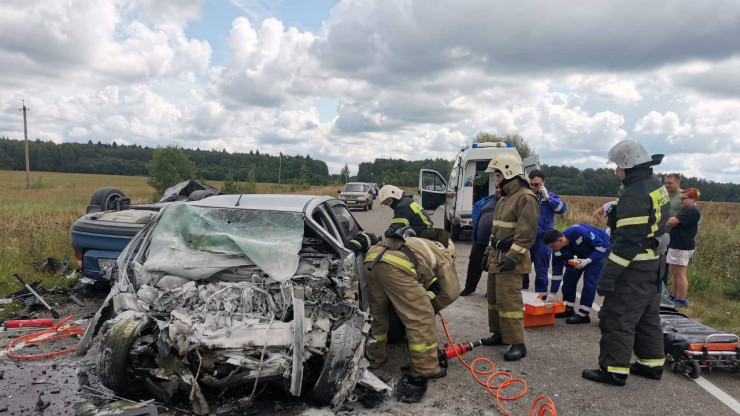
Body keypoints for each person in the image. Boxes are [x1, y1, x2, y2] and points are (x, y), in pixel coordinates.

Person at [582, 140, 670, 386]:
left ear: (628, 164)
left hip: (634, 268)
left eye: (617, 166)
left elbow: (627, 243)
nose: (615, 171)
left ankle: (614, 370)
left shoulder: (635, 193)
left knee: (617, 317)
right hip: (654, 264)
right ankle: (651, 365)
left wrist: (607, 277)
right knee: (647, 317)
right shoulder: (654, 184)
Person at [363, 228, 459, 403]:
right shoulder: (443, 255)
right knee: (421, 318)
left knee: (378, 314)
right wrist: (432, 307)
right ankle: (425, 369)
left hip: (372, 260)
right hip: (395, 267)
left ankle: (375, 358)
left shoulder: (417, 243)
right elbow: (451, 293)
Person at [480, 154, 539, 361]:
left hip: (512, 262)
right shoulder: (505, 198)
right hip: (497, 258)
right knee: (495, 300)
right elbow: (496, 232)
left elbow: (527, 234)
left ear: (509, 172)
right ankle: (500, 334)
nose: (496, 179)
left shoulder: (526, 197)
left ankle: (517, 343)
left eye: (498, 175)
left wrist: (512, 258)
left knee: (510, 303)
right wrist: (487, 255)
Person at [544, 224, 611, 324]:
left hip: (598, 253)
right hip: (578, 256)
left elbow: (602, 246)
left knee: (589, 281)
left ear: (561, 240)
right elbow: (557, 273)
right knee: (569, 279)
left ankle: (584, 314)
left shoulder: (578, 232)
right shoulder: (557, 251)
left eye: (553, 246)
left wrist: (588, 260)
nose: (552, 249)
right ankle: (568, 308)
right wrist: (552, 293)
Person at [522, 170, 567, 300]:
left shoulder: (549, 197)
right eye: (531, 185)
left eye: (537, 184)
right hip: (526, 238)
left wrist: (547, 198)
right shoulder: (527, 197)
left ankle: (540, 298)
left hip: (542, 239)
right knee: (523, 269)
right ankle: (522, 297)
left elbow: (561, 209)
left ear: (543, 183)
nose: (534, 187)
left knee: (541, 271)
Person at [460, 183, 502, 296]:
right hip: (479, 239)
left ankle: (491, 292)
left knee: (494, 266)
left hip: (496, 242)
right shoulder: (487, 200)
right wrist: (475, 220)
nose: (498, 190)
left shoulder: (508, 202)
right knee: (474, 263)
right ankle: (469, 287)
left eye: (501, 187)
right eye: (497, 187)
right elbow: (476, 207)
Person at [666, 188, 701, 308]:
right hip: (676, 244)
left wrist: (672, 221)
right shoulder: (686, 209)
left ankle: (681, 300)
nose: (681, 201)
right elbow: (673, 222)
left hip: (682, 246)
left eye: (684, 199)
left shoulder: (692, 211)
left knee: (680, 273)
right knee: (674, 272)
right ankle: (674, 295)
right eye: (680, 198)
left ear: (693, 199)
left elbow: (672, 221)